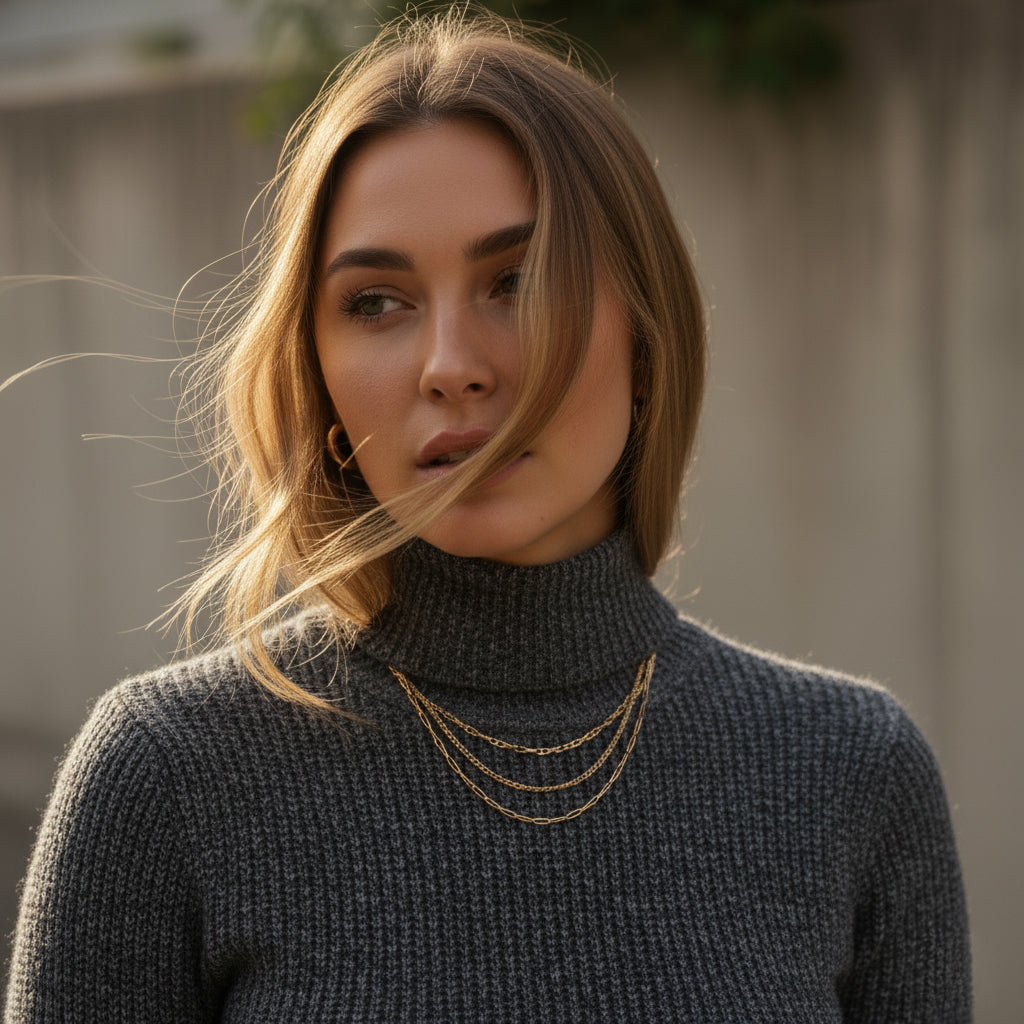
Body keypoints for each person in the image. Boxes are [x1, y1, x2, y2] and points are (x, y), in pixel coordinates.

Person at [4, 8, 970, 1023]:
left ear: (644, 338)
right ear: (318, 376)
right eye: (376, 301)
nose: (451, 366)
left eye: (516, 280)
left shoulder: (849, 772)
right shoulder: (168, 775)